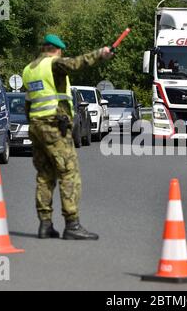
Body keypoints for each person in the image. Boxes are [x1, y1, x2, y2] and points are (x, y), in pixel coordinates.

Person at [22, 34, 113, 240]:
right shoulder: (54, 64)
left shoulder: (29, 70)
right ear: (56, 49)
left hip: (36, 126)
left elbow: (27, 103)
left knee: (44, 175)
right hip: (54, 125)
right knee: (68, 173)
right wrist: (101, 53)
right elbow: (76, 64)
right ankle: (72, 224)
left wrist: (35, 124)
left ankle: (45, 225)